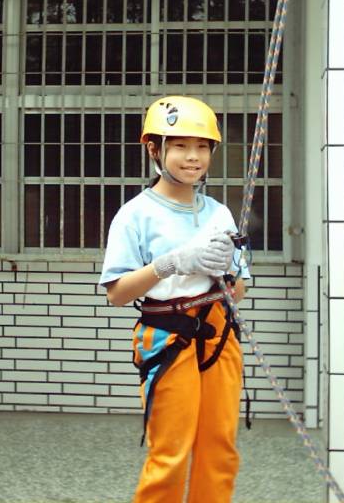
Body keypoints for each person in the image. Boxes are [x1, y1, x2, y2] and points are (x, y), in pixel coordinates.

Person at [98, 95, 249, 502]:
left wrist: (226, 270)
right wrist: (169, 264)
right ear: (154, 149)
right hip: (168, 334)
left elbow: (238, 291)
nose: (193, 157)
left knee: (219, 449)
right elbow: (117, 294)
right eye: (180, 145)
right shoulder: (135, 215)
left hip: (218, 332)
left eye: (202, 147)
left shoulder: (219, 213)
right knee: (171, 452)